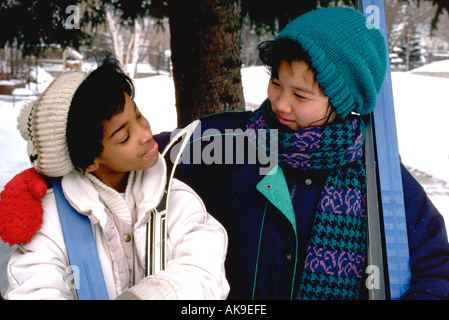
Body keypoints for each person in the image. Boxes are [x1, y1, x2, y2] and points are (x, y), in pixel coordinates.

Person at [155, 7, 449, 299]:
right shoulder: (229, 143)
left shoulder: (377, 174)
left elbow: (436, 269)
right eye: (276, 84)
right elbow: (145, 157)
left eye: (300, 95)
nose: (281, 104)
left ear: (342, 101)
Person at [2, 54, 229, 300]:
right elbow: (36, 287)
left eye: (139, 116)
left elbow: (203, 270)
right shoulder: (54, 218)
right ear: (89, 161)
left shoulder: (175, 199)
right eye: (124, 137)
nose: (145, 134)